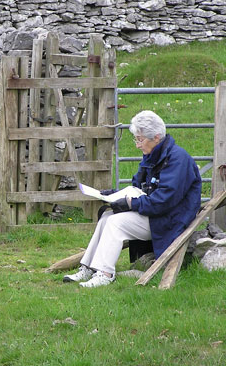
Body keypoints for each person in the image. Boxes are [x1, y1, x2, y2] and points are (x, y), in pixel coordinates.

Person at [63, 110, 202, 287]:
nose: (137, 145)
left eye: (140, 139)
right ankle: (88, 268)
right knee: (107, 217)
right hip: (156, 214)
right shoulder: (154, 155)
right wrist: (113, 195)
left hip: (170, 220)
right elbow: (137, 186)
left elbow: (163, 201)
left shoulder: (178, 160)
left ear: (156, 137)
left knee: (116, 223)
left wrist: (130, 203)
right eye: (136, 139)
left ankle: (106, 274)